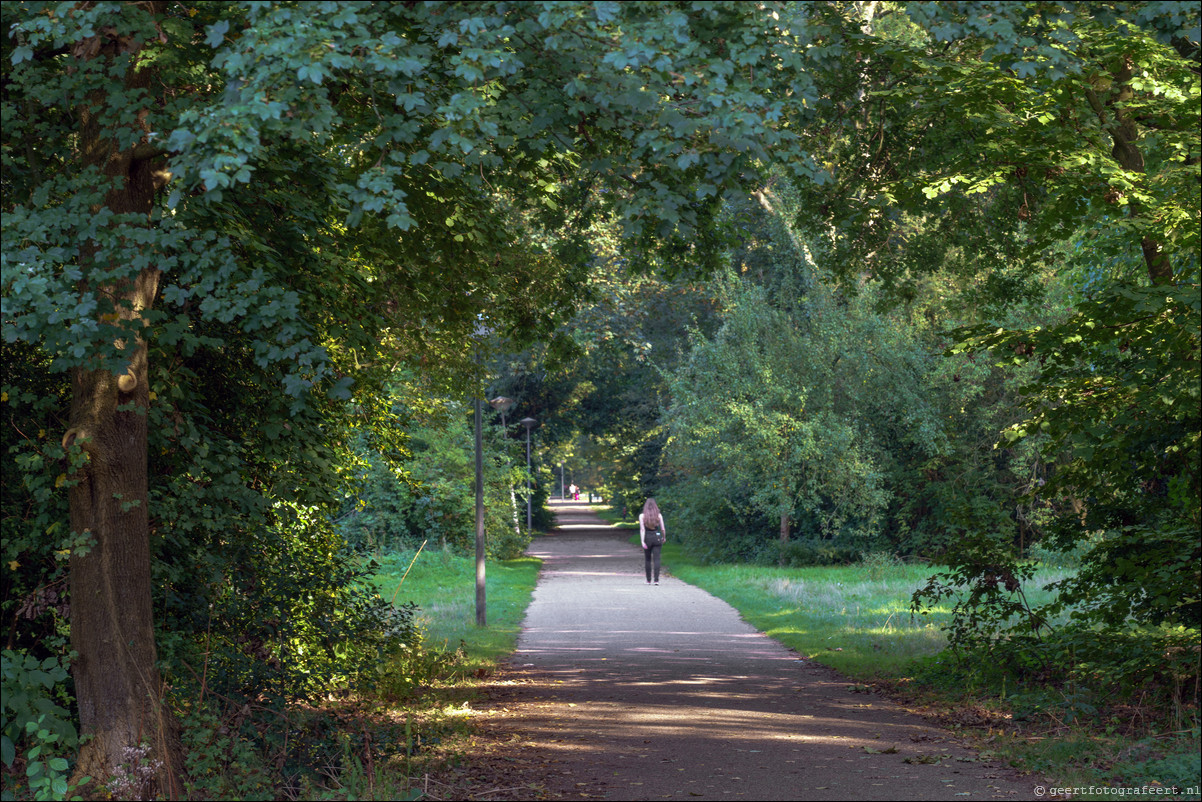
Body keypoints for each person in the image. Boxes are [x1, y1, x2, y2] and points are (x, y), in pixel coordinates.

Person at [639, 498, 666, 585]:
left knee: (647, 559)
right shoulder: (659, 515)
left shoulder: (642, 516)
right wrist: (664, 537)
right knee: (657, 559)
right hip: (657, 537)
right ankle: (656, 580)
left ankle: (648, 580)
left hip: (647, 538)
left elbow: (642, 529)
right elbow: (662, 528)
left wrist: (642, 541)